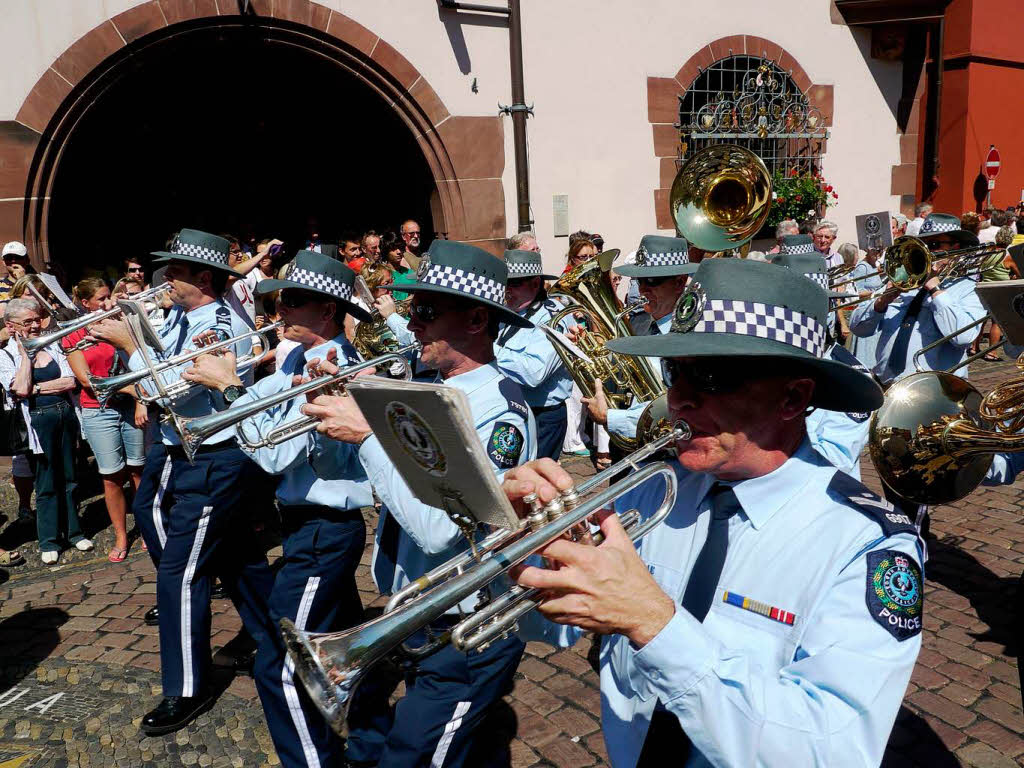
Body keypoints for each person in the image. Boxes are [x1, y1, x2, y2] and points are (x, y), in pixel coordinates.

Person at [502, 257, 920, 767]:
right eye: (676, 371)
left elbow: (831, 752)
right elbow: (557, 628)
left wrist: (653, 622)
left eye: (712, 376)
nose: (677, 400)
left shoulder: (866, 543)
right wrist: (522, 552)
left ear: (792, 397)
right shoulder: (652, 492)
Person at [300, 240, 537, 768]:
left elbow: (440, 531)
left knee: (416, 756)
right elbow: (393, 490)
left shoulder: (499, 410)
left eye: (426, 312)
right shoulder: (431, 388)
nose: (412, 324)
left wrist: (368, 439)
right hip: (418, 612)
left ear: (476, 319)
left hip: (466, 624)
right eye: (412, 310)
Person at [182, 250, 373, 768]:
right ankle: (371, 745)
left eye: (293, 301)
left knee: (283, 668)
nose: (280, 309)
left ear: (329, 312)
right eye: (280, 299)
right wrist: (225, 375)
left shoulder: (333, 368)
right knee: (354, 655)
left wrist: (227, 387)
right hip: (305, 526)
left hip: (324, 528)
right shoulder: (292, 357)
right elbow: (256, 405)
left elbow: (273, 453)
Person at [89, 229, 277, 737]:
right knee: (237, 555)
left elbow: (172, 394)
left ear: (204, 278)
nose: (165, 279)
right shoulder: (177, 314)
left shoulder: (214, 326)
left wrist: (130, 346)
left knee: (181, 571)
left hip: (214, 457)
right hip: (184, 451)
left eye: (175, 271)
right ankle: (274, 633)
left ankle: (187, 687)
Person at [583, 236, 697, 448]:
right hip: (635, 446)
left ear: (680, 282)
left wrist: (610, 417)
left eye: (652, 281)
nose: (643, 290)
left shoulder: (691, 336)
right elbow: (621, 383)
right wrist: (587, 353)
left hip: (670, 451)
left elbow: (671, 411)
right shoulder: (640, 325)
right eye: (639, 280)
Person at [62, 278, 146, 563]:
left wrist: (138, 400)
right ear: (85, 303)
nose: (107, 302)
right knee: (111, 476)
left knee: (139, 470)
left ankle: (147, 528)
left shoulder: (121, 325)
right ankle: (122, 535)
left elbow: (142, 367)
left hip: (131, 407)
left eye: (109, 296)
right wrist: (128, 389)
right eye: (101, 298)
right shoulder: (73, 335)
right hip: (98, 409)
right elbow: (86, 379)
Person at [0, 297, 89, 564]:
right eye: (28, 322)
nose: (36, 326)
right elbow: (20, 388)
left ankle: (75, 532)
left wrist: (38, 388)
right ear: (11, 326)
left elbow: (70, 380)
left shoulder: (54, 346)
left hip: (64, 414)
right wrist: (25, 354)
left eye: (37, 320)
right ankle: (49, 539)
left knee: (71, 476)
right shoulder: (5, 355)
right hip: (37, 422)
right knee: (46, 480)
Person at [850, 213, 986, 384]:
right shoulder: (904, 278)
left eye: (934, 244)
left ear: (955, 247)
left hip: (934, 390)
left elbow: (964, 337)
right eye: (924, 244)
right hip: (886, 385)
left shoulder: (967, 287)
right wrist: (881, 302)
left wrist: (935, 289)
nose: (927, 250)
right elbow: (858, 328)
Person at [774, 253, 876, 479]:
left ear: (826, 309)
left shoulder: (849, 376)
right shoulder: (772, 361)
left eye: (796, 309)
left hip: (817, 495)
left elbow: (836, 458)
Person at [496, 249, 573, 460]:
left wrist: (485, 347)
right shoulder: (507, 311)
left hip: (543, 416)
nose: (507, 290)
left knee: (536, 482)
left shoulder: (554, 316)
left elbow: (534, 373)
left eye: (515, 284)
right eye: (505, 283)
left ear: (535, 283)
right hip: (512, 410)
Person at [380, 230, 415, 300]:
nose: (398, 252)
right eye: (393, 249)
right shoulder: (382, 275)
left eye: (400, 247)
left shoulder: (411, 273)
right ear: (386, 251)